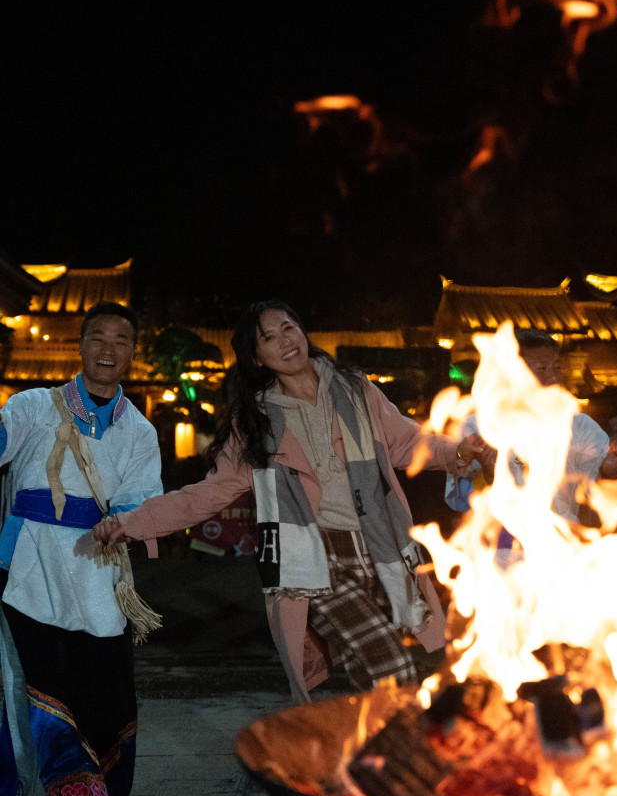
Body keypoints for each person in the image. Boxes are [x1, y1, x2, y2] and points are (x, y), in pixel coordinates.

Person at [93, 301, 492, 703]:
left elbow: (406, 442)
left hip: (380, 547)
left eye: (289, 328)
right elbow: (207, 493)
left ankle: (366, 743)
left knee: (375, 674)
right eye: (269, 338)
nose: (285, 342)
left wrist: (456, 452)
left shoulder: (355, 390)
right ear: (256, 357)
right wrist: (132, 522)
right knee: (392, 667)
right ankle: (392, 740)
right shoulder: (256, 422)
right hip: (313, 561)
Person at [0, 302, 162, 796]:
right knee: (45, 684)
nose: (108, 350)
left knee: (109, 697)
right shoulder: (31, 406)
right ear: (81, 345)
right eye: (98, 337)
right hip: (30, 569)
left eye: (121, 340)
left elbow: (141, 499)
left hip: (98, 572)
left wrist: (123, 521)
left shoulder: (139, 429)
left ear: (132, 353)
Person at [444, 329, 617, 552]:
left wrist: (610, 473)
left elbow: (594, 512)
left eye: (557, 368)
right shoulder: (478, 427)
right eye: (542, 369)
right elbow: (457, 506)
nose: (553, 378)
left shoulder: (581, 427)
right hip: (498, 553)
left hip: (565, 551)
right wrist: (490, 475)